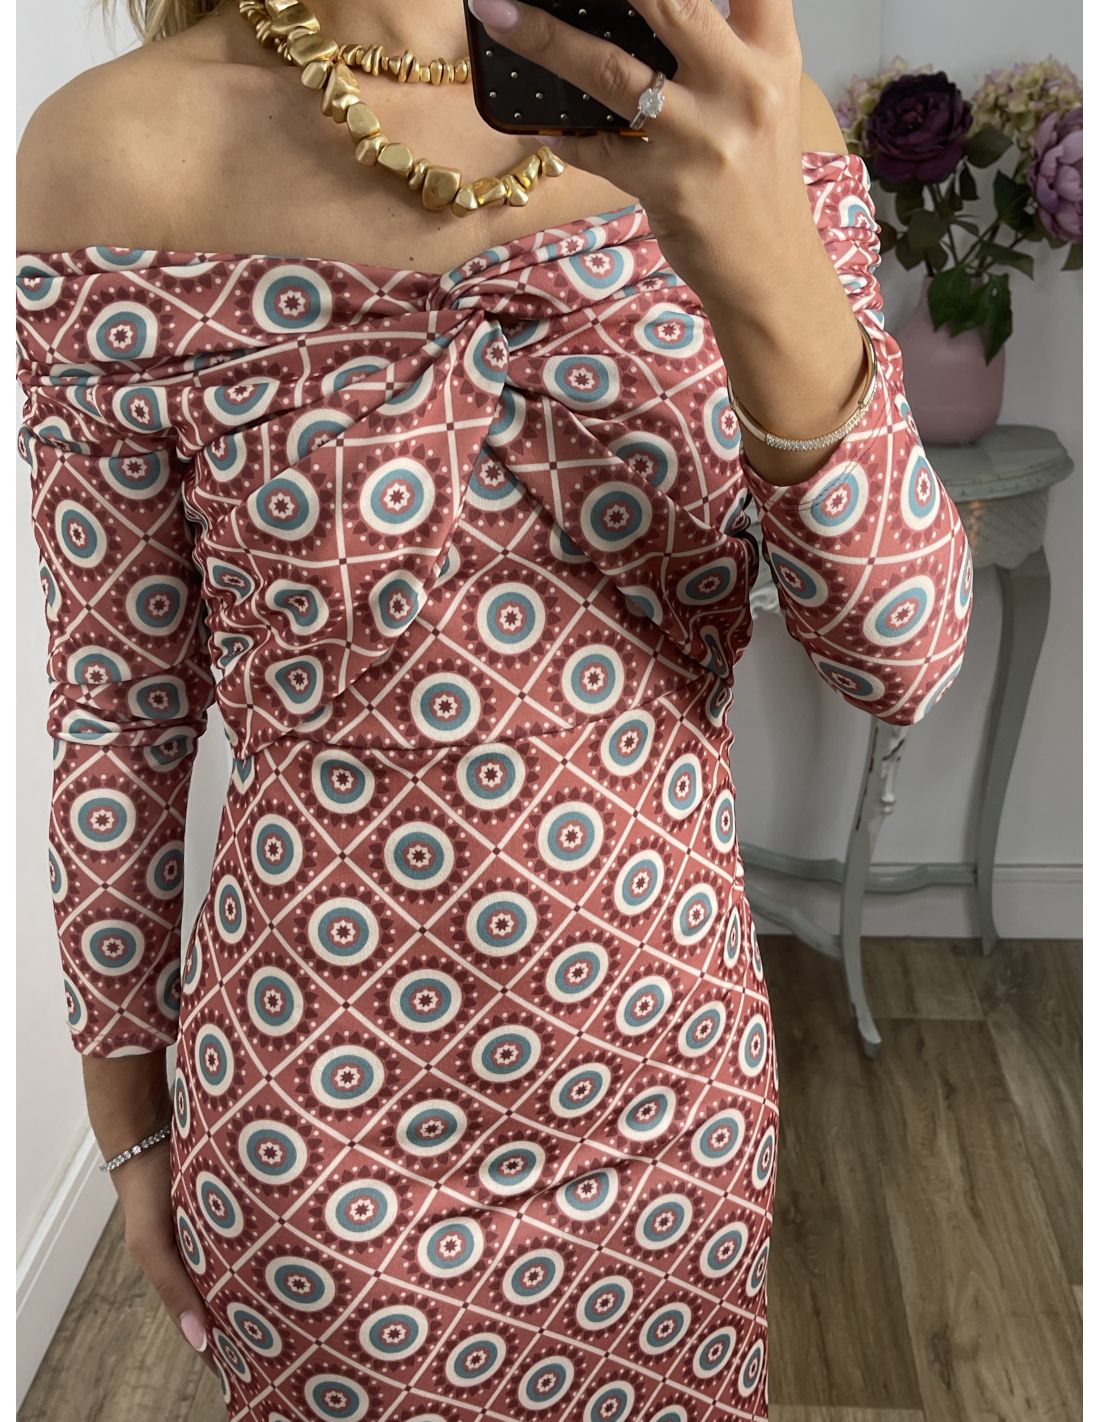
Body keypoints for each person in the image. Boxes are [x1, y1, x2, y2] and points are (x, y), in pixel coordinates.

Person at [15, 0, 973, 1414]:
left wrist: (765, 264)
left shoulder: (728, 108)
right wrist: (127, 1124)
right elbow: (118, 710)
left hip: (673, 1101)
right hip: (318, 1138)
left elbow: (904, 658)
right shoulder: (116, 155)